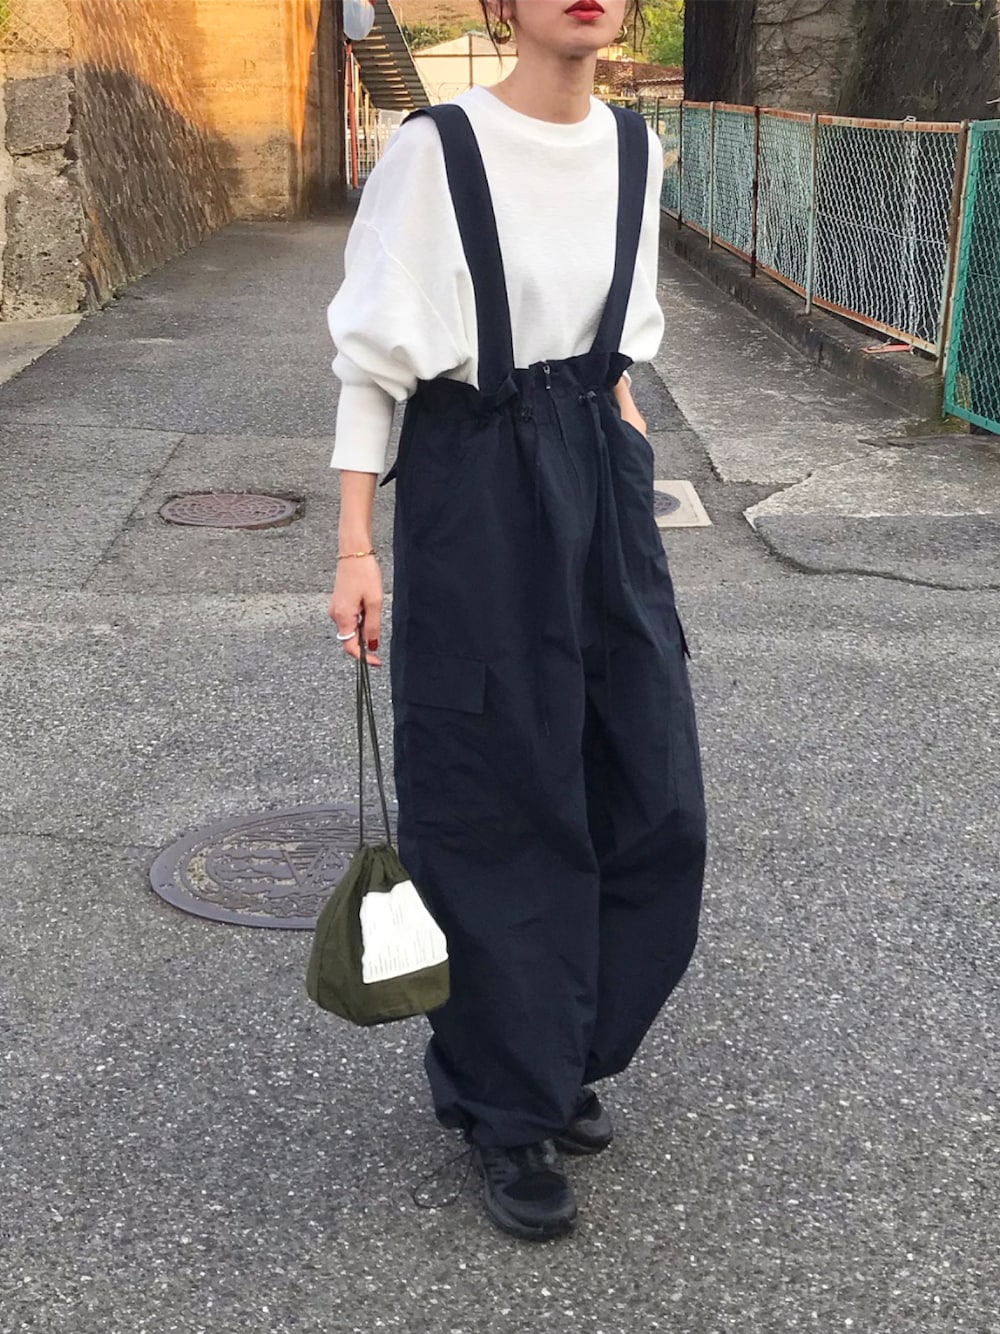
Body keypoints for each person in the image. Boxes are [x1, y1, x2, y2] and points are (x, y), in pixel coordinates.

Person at [326, 0, 706, 1242]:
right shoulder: (435, 150)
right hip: (475, 480)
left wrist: (627, 476)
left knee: (645, 786)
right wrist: (354, 548)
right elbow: (371, 367)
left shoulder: (636, 147)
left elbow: (623, 350)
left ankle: (559, 1051)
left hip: (599, 467)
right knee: (496, 792)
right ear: (500, 6)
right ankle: (505, 1102)